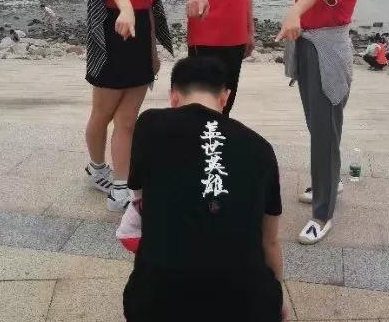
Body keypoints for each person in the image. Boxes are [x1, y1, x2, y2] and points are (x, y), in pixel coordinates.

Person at [122, 56, 286, 322]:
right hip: (248, 305)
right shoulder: (261, 149)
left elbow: (139, 198)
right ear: (225, 98)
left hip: (156, 302)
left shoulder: (149, 125)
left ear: (173, 97)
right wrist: (277, 299)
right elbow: (270, 241)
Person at [276, 0, 364, 245]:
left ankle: (322, 214)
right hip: (306, 48)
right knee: (318, 125)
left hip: (327, 53)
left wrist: (293, 13)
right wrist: (297, 18)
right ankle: (330, 180)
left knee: (325, 130)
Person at [85, 0, 173, 212]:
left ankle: (120, 186)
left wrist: (152, 52)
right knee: (102, 114)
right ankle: (97, 170)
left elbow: (147, 7)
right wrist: (124, 9)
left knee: (127, 121)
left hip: (139, 38)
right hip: (111, 38)